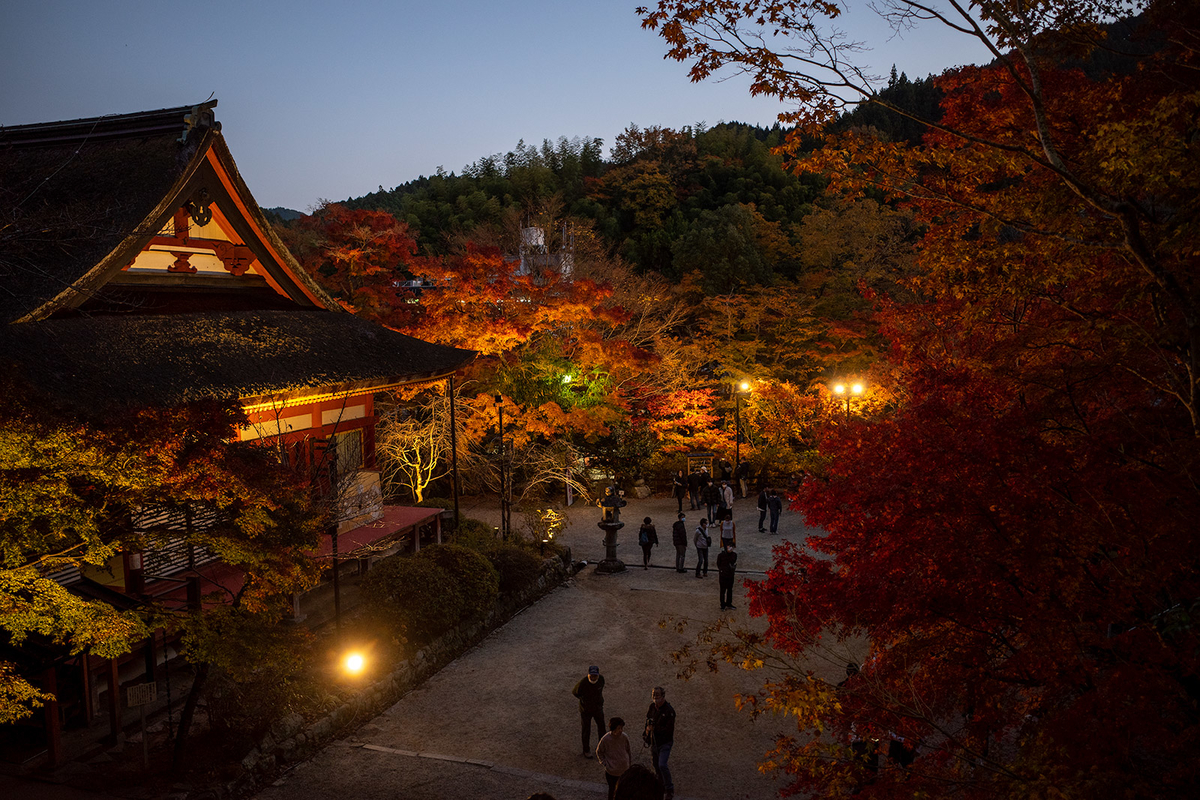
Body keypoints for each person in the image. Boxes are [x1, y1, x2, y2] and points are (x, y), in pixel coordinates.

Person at [644, 686, 676, 800]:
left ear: (663, 696)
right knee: (656, 765)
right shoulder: (652, 707)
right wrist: (646, 734)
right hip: (654, 742)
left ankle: (669, 789)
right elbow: (648, 721)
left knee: (662, 764)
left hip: (664, 743)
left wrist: (654, 729)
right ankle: (660, 784)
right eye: (654, 695)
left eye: (657, 695)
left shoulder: (669, 711)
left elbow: (668, 730)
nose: (655, 697)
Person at [597, 716, 633, 800]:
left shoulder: (624, 737)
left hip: (624, 770)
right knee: (612, 791)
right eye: (619, 728)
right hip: (612, 772)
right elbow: (599, 752)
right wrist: (604, 763)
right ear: (613, 728)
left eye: (621, 728)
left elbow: (628, 751)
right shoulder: (606, 739)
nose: (621, 730)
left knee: (623, 791)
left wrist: (629, 764)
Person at [573, 665, 605, 757]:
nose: (593, 677)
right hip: (586, 710)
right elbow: (575, 692)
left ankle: (602, 747)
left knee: (602, 728)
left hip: (597, 708)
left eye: (595, 675)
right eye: (592, 675)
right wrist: (583, 700)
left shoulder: (601, 680)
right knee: (586, 730)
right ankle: (586, 750)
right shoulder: (583, 683)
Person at [717, 541, 738, 610]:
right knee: (722, 591)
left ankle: (729, 603)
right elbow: (718, 564)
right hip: (723, 575)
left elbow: (732, 561)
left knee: (729, 590)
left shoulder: (734, 555)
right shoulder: (721, 555)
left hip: (730, 575)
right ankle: (722, 605)